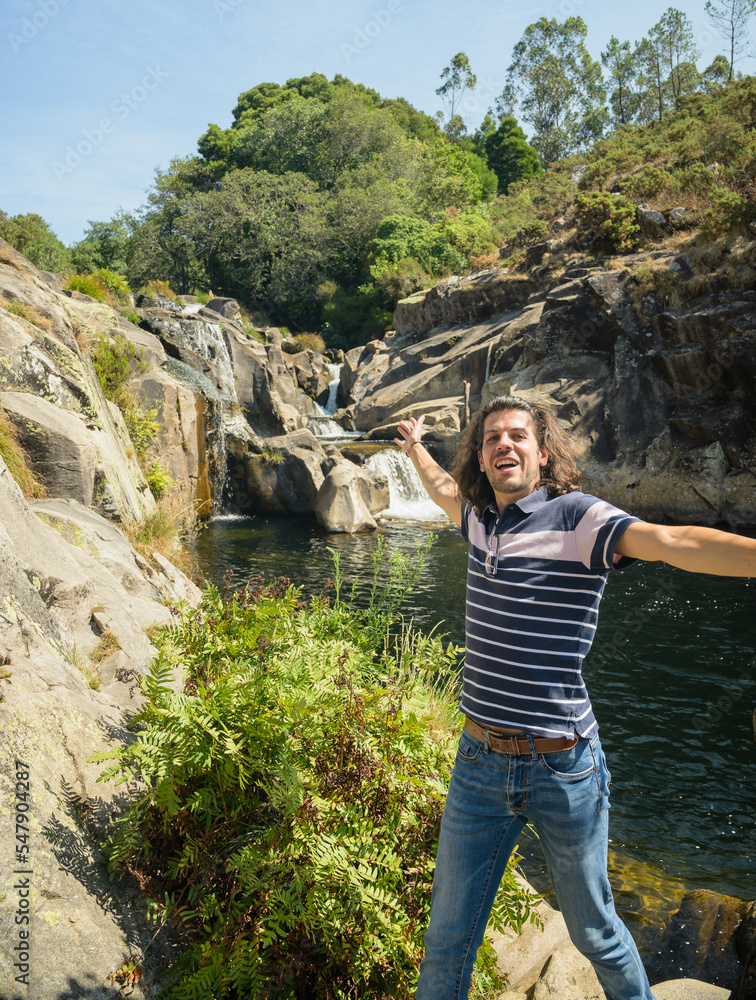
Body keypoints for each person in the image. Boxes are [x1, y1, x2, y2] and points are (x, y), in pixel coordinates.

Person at [394, 395, 756, 1000]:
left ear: (542, 451)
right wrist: (414, 450)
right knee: (448, 939)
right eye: (490, 439)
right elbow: (441, 491)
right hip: (477, 765)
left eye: (517, 436)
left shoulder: (578, 520)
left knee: (595, 932)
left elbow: (673, 540)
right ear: (480, 459)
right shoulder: (478, 518)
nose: (503, 445)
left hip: (562, 767)